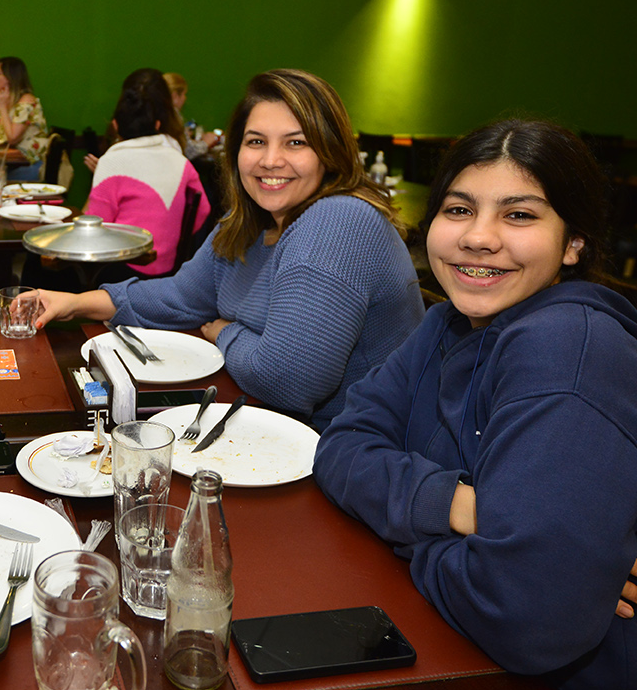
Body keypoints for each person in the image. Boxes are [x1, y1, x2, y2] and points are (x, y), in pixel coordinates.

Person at [312, 120, 637, 690]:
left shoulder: (568, 361)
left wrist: (411, 533)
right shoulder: (448, 323)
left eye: (519, 215)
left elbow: (525, 618)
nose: (479, 236)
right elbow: (341, 444)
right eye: (459, 209)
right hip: (459, 652)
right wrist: (461, 508)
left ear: (574, 242)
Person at [27, 69, 424, 430]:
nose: (271, 160)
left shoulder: (339, 221)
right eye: (256, 142)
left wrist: (225, 332)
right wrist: (75, 303)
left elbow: (286, 381)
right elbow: (179, 296)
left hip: (355, 451)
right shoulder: (248, 223)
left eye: (296, 142)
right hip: (275, 426)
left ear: (329, 151)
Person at [85, 68, 211, 278]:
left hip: (120, 273)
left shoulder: (110, 162)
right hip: (168, 273)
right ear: (157, 124)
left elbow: (95, 228)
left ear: (115, 125)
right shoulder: (180, 160)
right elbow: (204, 210)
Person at [0, 56, 48, 181]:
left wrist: (2, 107)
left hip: (32, 165)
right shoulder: (6, 100)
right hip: (14, 163)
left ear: (10, 78)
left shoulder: (27, 101)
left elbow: (13, 138)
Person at [163, 71, 221, 160]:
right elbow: (189, 151)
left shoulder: (156, 112)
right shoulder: (173, 115)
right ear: (175, 96)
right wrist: (207, 142)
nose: (185, 98)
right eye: (184, 94)